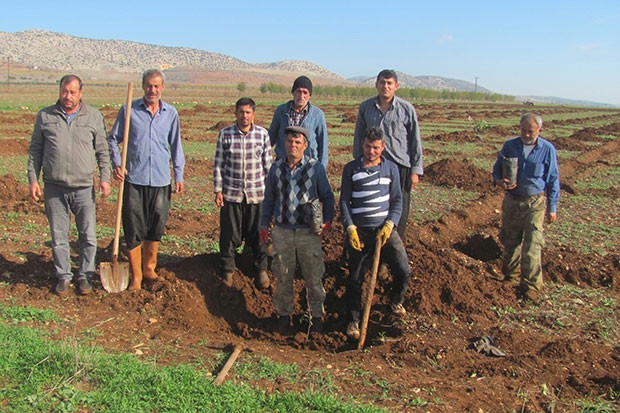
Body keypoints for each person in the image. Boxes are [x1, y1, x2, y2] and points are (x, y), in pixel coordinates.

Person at [27, 74, 111, 296]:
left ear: (80, 93)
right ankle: (63, 276)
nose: (68, 96)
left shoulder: (93, 116)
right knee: (59, 236)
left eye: (73, 92)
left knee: (88, 235)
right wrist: (33, 179)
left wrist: (105, 177)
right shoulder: (45, 116)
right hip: (54, 187)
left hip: (84, 187)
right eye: (64, 91)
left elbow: (103, 150)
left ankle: (85, 276)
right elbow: (35, 150)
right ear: (60, 91)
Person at [109, 69, 186, 291]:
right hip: (134, 178)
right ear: (143, 87)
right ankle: (136, 276)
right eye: (149, 86)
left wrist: (178, 174)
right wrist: (117, 163)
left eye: (157, 86)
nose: (153, 90)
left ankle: (149, 268)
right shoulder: (129, 110)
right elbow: (113, 139)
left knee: (156, 225)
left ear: (162, 88)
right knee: (133, 226)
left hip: (161, 180)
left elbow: (176, 145)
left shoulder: (170, 113)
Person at [260, 126, 334, 335]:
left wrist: (327, 221)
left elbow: (328, 197)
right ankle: (284, 317)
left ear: (305, 145)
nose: (293, 145)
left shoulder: (315, 168)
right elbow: (269, 199)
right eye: (290, 142)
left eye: (297, 142)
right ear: (284, 144)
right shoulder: (276, 169)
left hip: (307, 233)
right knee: (282, 276)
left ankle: (316, 319)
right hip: (282, 231)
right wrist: (264, 225)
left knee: (313, 277)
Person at [341, 126, 411, 341]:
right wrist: (350, 227)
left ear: (383, 147)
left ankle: (394, 302)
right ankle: (353, 320)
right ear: (362, 144)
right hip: (361, 233)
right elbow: (344, 201)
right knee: (355, 279)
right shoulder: (351, 169)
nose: (371, 151)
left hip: (385, 232)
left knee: (403, 270)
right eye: (368, 147)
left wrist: (390, 224)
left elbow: (397, 200)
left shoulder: (391, 169)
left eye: (375, 148)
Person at [492, 113, 560, 302]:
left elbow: (553, 179)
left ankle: (531, 286)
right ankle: (510, 277)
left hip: (535, 203)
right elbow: (496, 169)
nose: (527, 135)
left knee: (532, 244)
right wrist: (498, 181)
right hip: (512, 201)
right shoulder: (510, 145)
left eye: (531, 131)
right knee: (510, 241)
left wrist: (552, 208)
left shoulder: (547, 150)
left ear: (539, 130)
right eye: (523, 130)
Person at [353, 69, 423, 238]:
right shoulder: (366, 107)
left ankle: (392, 249)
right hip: (373, 165)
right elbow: (359, 135)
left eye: (389, 83)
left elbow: (415, 140)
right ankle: (372, 246)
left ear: (396, 86)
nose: (386, 86)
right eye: (382, 82)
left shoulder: (406, 109)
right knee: (374, 205)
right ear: (376, 84)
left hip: (400, 165)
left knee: (399, 207)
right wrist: (358, 161)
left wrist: (415, 170)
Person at [213, 97, 272, 289]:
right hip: (232, 193)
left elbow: (268, 166)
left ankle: (261, 269)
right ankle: (228, 270)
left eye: (248, 112)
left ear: (253, 114)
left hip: (257, 194)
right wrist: (218, 189)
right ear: (235, 113)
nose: (244, 116)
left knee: (259, 235)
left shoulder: (262, 135)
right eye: (241, 112)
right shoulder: (226, 134)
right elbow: (219, 164)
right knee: (229, 234)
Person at [268, 76, 329, 167]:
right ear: (293, 92)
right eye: (298, 91)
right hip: (283, 164)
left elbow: (323, 144)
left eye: (305, 92)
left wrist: (321, 170)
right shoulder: (281, 111)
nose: (301, 96)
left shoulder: (318, 115)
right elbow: (271, 137)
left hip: (309, 166)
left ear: (309, 95)